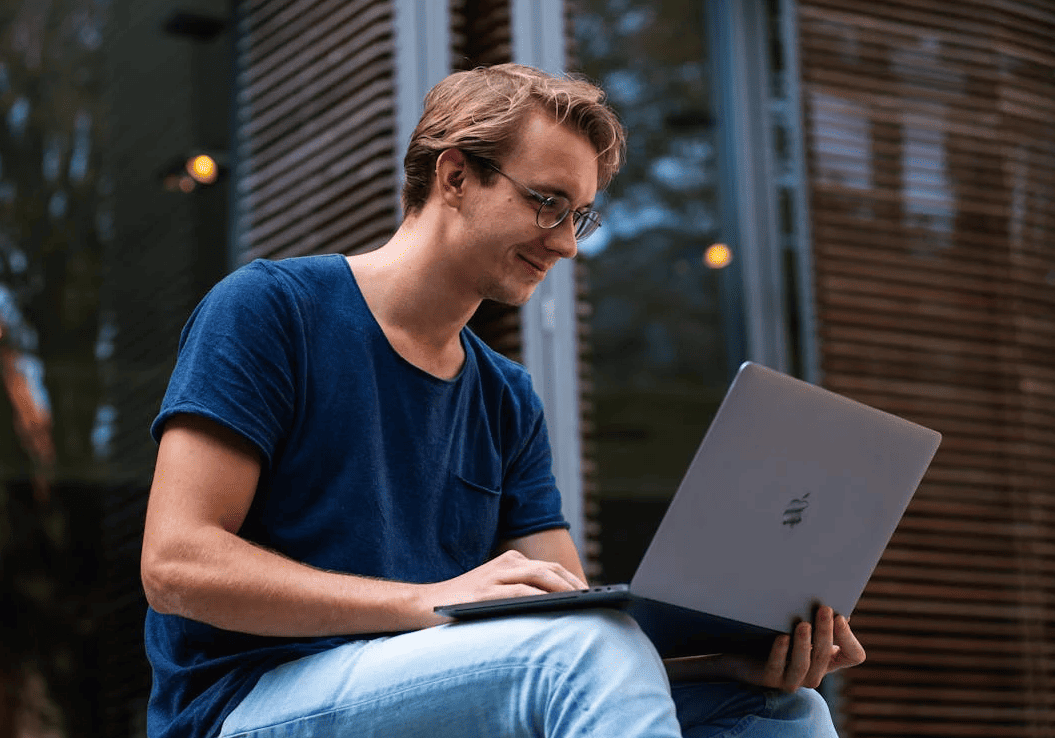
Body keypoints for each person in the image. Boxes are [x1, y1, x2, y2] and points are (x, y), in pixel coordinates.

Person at [140, 63, 865, 738]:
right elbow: (176, 567)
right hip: (247, 702)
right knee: (580, 649)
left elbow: (574, 617)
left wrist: (721, 661)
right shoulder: (272, 310)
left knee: (780, 709)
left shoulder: (505, 396)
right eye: (547, 203)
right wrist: (425, 602)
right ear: (455, 175)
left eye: (579, 216)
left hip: (429, 690)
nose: (566, 245)